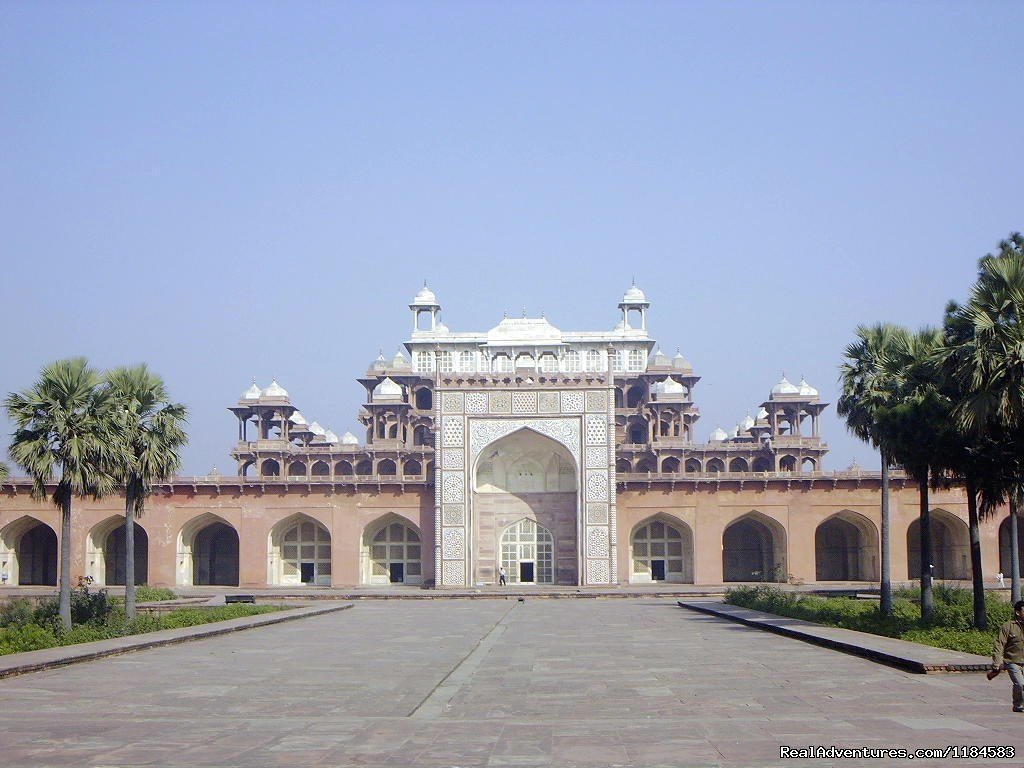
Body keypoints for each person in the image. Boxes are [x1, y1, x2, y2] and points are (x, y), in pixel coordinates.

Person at [991, 600, 1024, 711]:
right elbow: (999, 644)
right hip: (1012, 661)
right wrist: (997, 661)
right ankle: (1018, 705)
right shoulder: (1008, 626)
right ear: (1018, 612)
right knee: (1020, 683)